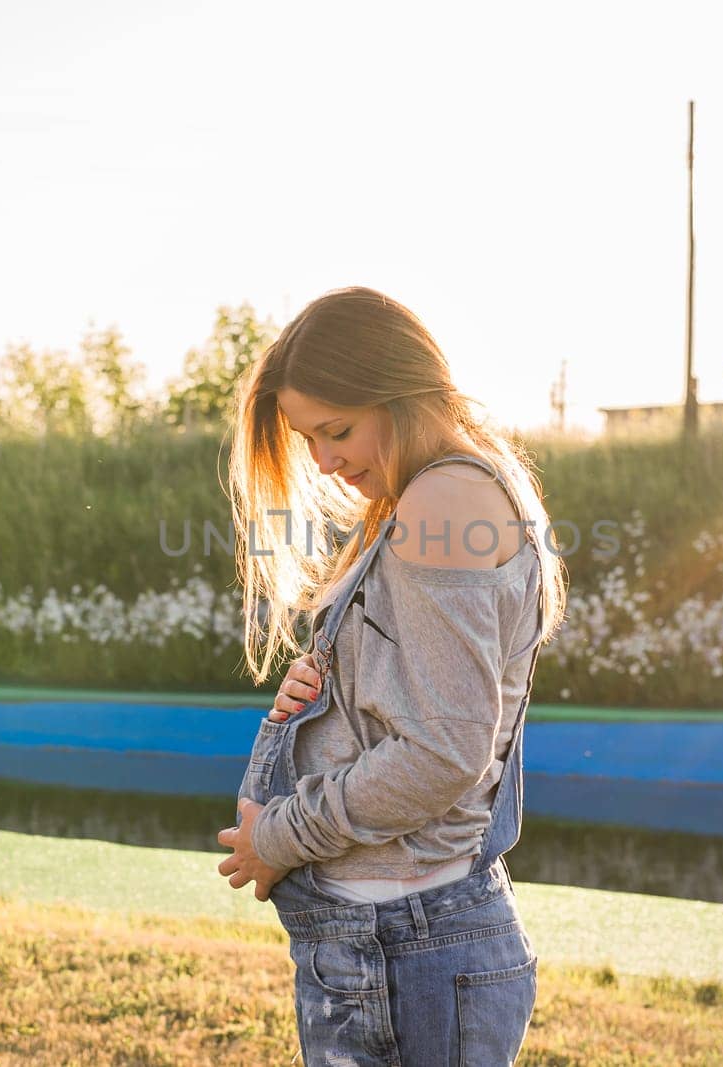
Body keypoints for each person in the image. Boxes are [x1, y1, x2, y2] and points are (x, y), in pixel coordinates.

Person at [214, 285, 567, 1065]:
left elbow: (444, 751)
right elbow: (420, 710)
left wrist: (280, 832)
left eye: (335, 431)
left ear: (398, 392)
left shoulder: (442, 498)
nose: (325, 461)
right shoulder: (439, 492)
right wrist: (317, 702)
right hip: (394, 944)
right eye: (310, 439)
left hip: (406, 945)